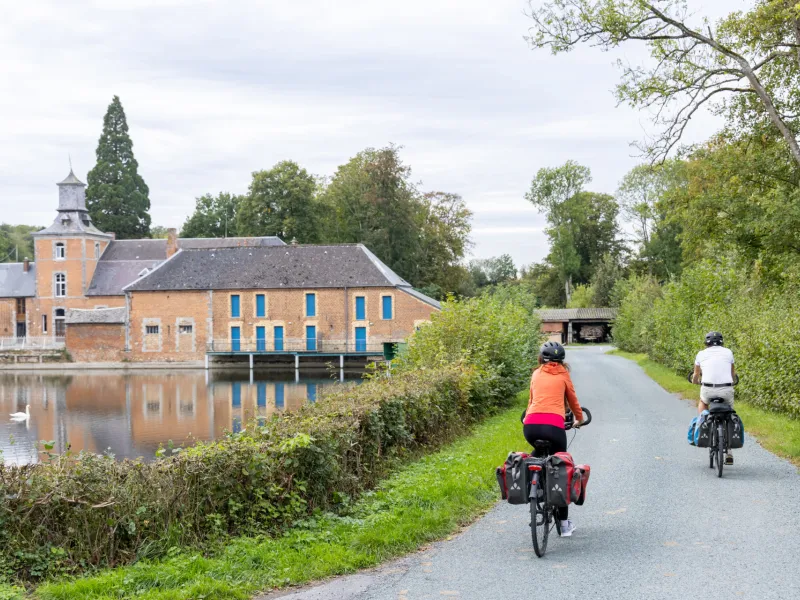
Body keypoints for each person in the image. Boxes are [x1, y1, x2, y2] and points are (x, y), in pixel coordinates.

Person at [522, 340, 584, 537]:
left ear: (542, 358)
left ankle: (533, 485)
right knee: (561, 467)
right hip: (554, 427)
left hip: (530, 425)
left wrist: (527, 417)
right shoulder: (563, 375)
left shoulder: (535, 373)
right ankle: (564, 525)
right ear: (561, 361)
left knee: (535, 455)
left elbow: (531, 400)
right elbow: (572, 399)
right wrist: (579, 419)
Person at [692, 331, 736, 464]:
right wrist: (731, 381)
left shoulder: (701, 354)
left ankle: (703, 422)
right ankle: (729, 451)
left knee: (703, 402)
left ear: (707, 343)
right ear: (722, 342)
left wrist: (695, 381)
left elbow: (696, 374)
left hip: (708, 389)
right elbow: (732, 374)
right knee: (729, 412)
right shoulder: (728, 352)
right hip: (726, 389)